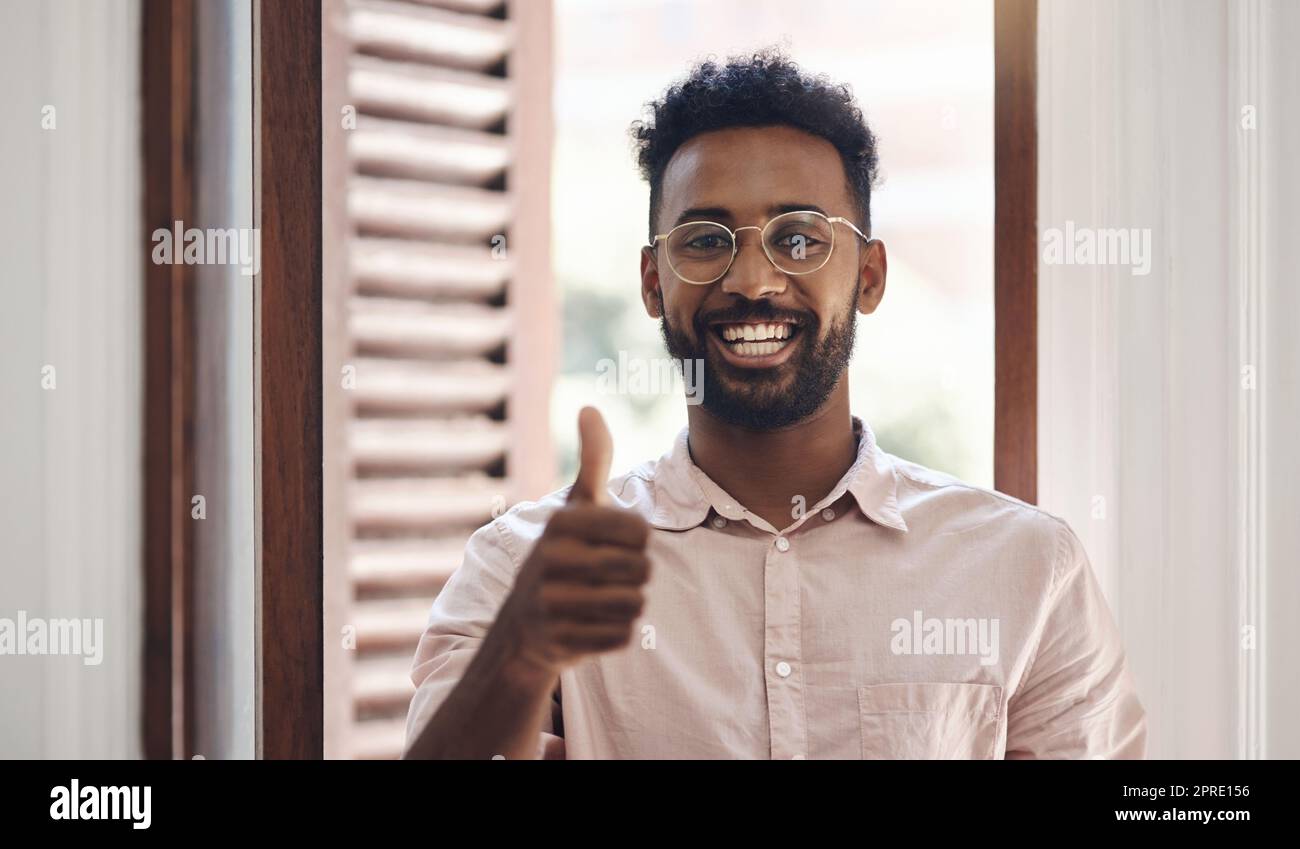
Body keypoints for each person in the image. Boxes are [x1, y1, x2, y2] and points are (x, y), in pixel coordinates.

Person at [402, 48, 1146, 760]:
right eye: (704, 239)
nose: (752, 280)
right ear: (653, 280)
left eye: (797, 238)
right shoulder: (523, 568)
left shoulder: (1026, 566)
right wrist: (520, 653)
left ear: (870, 275)